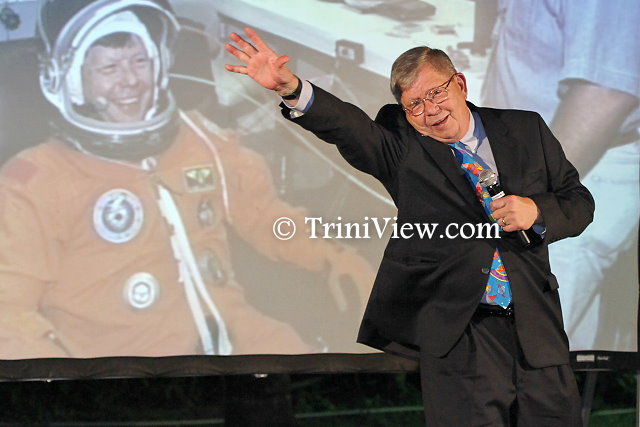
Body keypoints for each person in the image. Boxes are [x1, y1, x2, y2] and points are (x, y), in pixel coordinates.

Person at [225, 27, 595, 425]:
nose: (429, 110)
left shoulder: (525, 129)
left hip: (537, 330)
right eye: (414, 104)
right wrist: (292, 87)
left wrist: (535, 212)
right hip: (460, 336)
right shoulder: (403, 146)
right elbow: (350, 128)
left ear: (460, 83)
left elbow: (579, 203)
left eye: (435, 93)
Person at [0, 0, 373, 359]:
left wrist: (331, 257)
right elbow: (9, 315)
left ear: (160, 64)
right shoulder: (33, 182)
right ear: (71, 80)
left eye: (140, 61)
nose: (131, 80)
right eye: (109, 69)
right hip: (128, 367)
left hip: (243, 342)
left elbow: (264, 215)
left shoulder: (201, 140)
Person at [481, 0, 639, 352]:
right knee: (548, 358)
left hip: (565, 186)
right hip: (531, 186)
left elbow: (605, 95)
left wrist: (520, 201)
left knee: (524, 360)